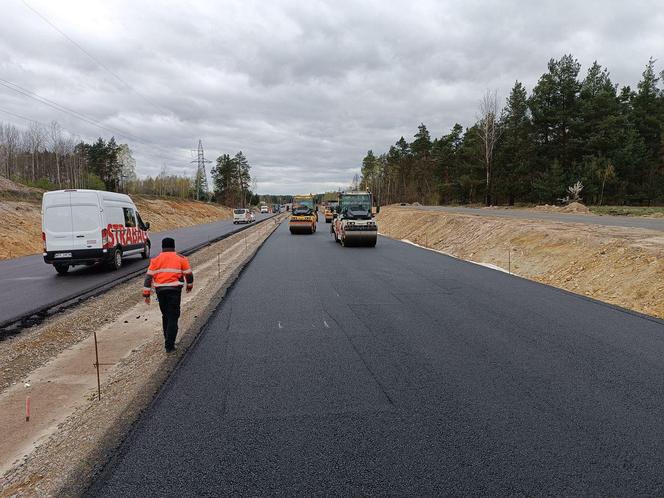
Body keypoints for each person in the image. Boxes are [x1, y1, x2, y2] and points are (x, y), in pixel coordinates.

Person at [142, 237, 194, 352]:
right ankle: (169, 345)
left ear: (162, 247)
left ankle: (167, 339)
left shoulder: (155, 260)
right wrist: (189, 286)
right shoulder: (181, 258)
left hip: (160, 292)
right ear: (174, 246)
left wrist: (146, 294)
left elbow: (148, 278)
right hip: (174, 292)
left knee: (165, 316)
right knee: (173, 316)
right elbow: (189, 274)